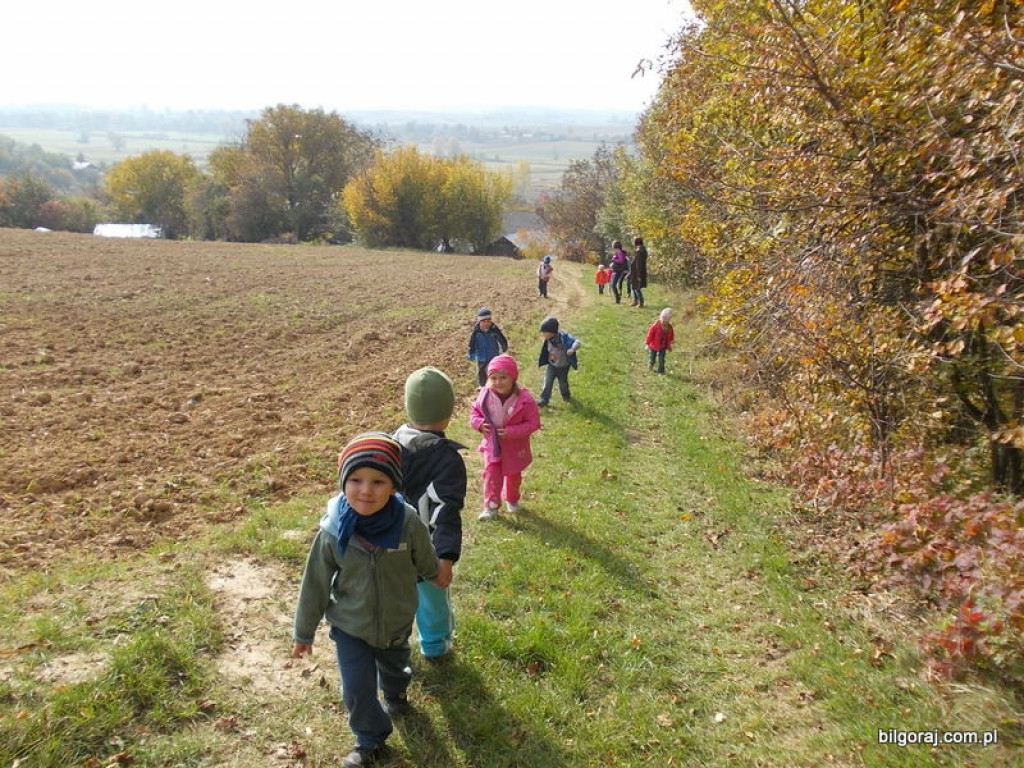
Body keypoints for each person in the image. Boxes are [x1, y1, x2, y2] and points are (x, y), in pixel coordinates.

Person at [292, 432, 440, 768]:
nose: (366, 490)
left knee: (395, 668)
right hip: (350, 625)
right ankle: (370, 737)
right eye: (356, 480)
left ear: (394, 486)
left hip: (397, 618)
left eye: (378, 481)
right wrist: (303, 632)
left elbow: (424, 555)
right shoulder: (333, 531)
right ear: (343, 482)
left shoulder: (407, 522)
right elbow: (315, 584)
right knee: (356, 688)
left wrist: (434, 571)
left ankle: (396, 692)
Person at [393, 367, 466, 660]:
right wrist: (445, 557)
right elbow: (446, 509)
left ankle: (393, 647)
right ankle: (435, 647)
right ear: (448, 412)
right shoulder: (446, 459)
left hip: (386, 546)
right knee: (432, 600)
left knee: (393, 599)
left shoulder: (387, 444)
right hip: (426, 550)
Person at [469, 354, 541, 521]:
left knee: (513, 475)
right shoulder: (485, 395)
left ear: (513, 377)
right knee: (491, 474)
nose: (498, 382)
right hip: (493, 444)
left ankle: (512, 499)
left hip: (514, 446)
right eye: (493, 378)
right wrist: (479, 423)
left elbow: (534, 423)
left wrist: (512, 431)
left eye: (503, 377)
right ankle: (491, 506)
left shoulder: (524, 400)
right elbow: (475, 411)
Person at [537, 315, 581, 406]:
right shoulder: (548, 340)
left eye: (544, 332)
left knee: (563, 383)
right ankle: (544, 399)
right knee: (547, 382)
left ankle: (566, 396)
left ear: (551, 332)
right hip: (552, 365)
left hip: (563, 367)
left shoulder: (564, 337)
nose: (543, 334)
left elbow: (577, 342)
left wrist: (572, 349)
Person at [466, 307, 509, 387]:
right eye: (483, 321)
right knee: (482, 372)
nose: (486, 323)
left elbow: (501, 338)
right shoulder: (476, 332)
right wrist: (471, 353)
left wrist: (504, 347)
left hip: (493, 355)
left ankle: (494, 386)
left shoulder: (494, 329)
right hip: (481, 357)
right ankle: (482, 387)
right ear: (479, 321)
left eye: (488, 321)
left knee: (494, 371)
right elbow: (471, 344)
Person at [645, 308, 675, 374]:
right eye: (663, 320)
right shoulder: (655, 326)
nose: (664, 322)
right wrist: (647, 343)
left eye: (666, 321)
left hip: (663, 346)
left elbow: (671, 335)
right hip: (654, 345)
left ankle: (661, 371)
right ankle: (651, 365)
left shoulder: (669, 327)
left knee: (661, 359)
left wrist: (671, 342)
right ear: (660, 318)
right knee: (652, 357)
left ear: (669, 320)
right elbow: (650, 335)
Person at [631, 236, 649, 308]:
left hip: (638, 272)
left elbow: (639, 264)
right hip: (635, 271)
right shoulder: (639, 249)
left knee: (637, 288)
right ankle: (635, 301)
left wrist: (639, 275)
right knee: (634, 286)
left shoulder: (640, 251)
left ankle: (641, 302)